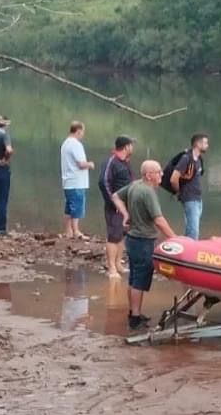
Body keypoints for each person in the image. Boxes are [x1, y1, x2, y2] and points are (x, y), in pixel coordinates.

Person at [111, 160, 177, 330]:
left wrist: (125, 214)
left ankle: (134, 313)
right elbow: (159, 220)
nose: (162, 174)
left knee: (134, 278)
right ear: (149, 175)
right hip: (142, 241)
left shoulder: (135, 185)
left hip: (132, 239)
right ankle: (135, 317)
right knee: (139, 280)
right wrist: (175, 239)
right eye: (158, 172)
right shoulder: (147, 192)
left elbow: (115, 196)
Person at [98, 135, 135, 278]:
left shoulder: (125, 162)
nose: (133, 148)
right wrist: (114, 203)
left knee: (121, 235)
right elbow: (103, 183)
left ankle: (119, 264)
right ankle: (111, 268)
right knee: (113, 236)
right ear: (126, 147)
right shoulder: (111, 162)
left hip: (126, 206)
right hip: (114, 206)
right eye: (131, 145)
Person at [169, 133, 208, 240]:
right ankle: (190, 254)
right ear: (197, 144)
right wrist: (178, 191)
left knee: (191, 228)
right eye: (205, 143)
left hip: (197, 199)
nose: (207, 145)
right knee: (193, 232)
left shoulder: (199, 159)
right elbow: (173, 179)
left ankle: (185, 249)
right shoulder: (186, 158)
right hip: (189, 199)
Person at [60, 121, 95, 240]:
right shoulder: (75, 144)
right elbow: (81, 164)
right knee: (77, 206)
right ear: (78, 131)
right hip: (76, 181)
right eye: (83, 132)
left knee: (69, 207)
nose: (83, 135)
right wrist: (90, 164)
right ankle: (76, 231)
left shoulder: (65, 143)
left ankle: (68, 230)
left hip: (68, 181)